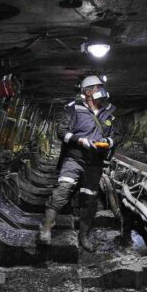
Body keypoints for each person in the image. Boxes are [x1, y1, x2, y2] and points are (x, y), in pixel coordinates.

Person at [38, 75, 119, 251]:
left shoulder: (109, 113)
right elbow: (61, 132)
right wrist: (80, 140)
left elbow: (116, 136)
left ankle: (84, 236)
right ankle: (46, 228)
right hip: (74, 157)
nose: (102, 90)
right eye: (98, 87)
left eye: (101, 87)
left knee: (90, 199)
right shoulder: (74, 109)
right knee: (63, 189)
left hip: (95, 163)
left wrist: (107, 142)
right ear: (88, 92)